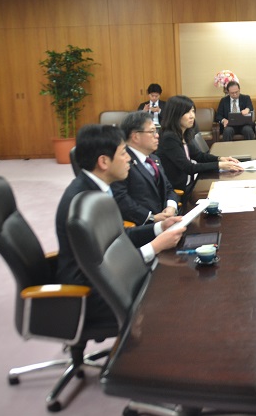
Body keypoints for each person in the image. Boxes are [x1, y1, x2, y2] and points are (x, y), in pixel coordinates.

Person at [55, 124, 185, 326]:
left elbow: (118, 237)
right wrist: (155, 246)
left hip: (106, 277)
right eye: (123, 153)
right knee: (176, 298)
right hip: (91, 291)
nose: (129, 159)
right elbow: (104, 265)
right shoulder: (83, 205)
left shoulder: (97, 188)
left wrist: (159, 227)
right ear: (103, 161)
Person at [158, 95, 243, 194]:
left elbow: (198, 156)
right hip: (178, 191)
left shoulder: (183, 133)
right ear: (175, 114)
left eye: (193, 111)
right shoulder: (169, 138)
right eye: (187, 112)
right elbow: (188, 167)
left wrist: (220, 159)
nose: (192, 116)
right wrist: (220, 165)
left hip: (190, 184)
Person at [111, 111, 179, 225]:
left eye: (156, 131)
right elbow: (121, 199)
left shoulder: (154, 159)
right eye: (152, 132)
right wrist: (151, 217)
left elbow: (168, 188)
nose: (157, 135)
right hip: (141, 227)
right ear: (135, 136)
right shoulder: (122, 162)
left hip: (165, 221)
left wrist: (171, 206)